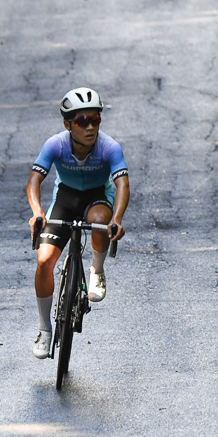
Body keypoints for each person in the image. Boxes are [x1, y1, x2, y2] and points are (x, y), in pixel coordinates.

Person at [27, 88, 129, 359]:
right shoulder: (55, 144)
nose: (90, 126)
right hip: (66, 198)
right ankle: (44, 329)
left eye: (95, 119)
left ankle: (97, 270)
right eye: (82, 121)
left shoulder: (109, 147)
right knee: (44, 261)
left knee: (98, 222)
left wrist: (116, 219)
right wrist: (38, 212)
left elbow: (122, 184)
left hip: (97, 197)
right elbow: (34, 181)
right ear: (68, 124)